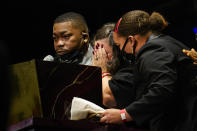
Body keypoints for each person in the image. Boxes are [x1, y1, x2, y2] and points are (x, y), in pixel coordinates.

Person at [99, 10, 197, 131]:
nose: (122, 51)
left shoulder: (153, 50)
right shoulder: (166, 42)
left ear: (131, 40)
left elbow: (162, 90)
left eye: (119, 45)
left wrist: (124, 115)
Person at [92, 23, 135, 109]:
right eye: (96, 52)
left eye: (104, 53)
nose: (99, 57)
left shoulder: (128, 73)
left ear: (118, 52)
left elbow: (108, 99)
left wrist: (104, 70)